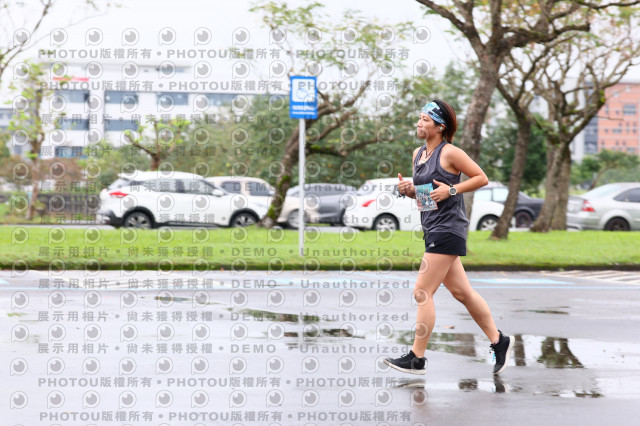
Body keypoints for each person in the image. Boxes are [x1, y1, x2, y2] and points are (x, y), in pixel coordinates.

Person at [384, 100, 514, 375]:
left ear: (440, 127)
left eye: (425, 119)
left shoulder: (451, 152)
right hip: (433, 227)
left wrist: (452, 190)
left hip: (449, 228)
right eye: (419, 118)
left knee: (422, 291)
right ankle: (498, 340)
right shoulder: (418, 154)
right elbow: (427, 198)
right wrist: (409, 191)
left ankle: (417, 358)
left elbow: (481, 178)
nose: (419, 123)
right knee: (462, 293)